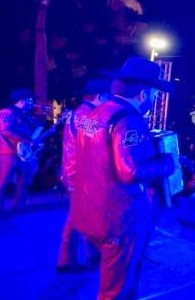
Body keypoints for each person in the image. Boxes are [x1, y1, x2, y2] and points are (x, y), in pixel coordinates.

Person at [70, 57, 176, 300]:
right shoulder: (129, 121)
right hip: (117, 219)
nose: (155, 99)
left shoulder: (91, 115)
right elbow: (130, 171)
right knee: (115, 290)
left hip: (88, 212)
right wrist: (167, 162)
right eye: (155, 94)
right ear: (142, 94)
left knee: (113, 278)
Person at [56, 78, 110, 272]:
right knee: (76, 219)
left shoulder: (78, 113)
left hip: (73, 173)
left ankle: (88, 256)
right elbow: (94, 148)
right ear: (100, 96)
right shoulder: (87, 117)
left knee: (84, 217)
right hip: (80, 176)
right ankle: (66, 261)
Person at [0, 89, 39, 216]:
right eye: (29, 100)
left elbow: (28, 134)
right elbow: (5, 131)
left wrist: (35, 139)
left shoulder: (25, 116)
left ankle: (18, 206)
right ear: (22, 100)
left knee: (23, 180)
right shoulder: (5, 112)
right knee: (4, 180)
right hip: (8, 152)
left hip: (22, 153)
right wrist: (25, 139)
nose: (31, 103)